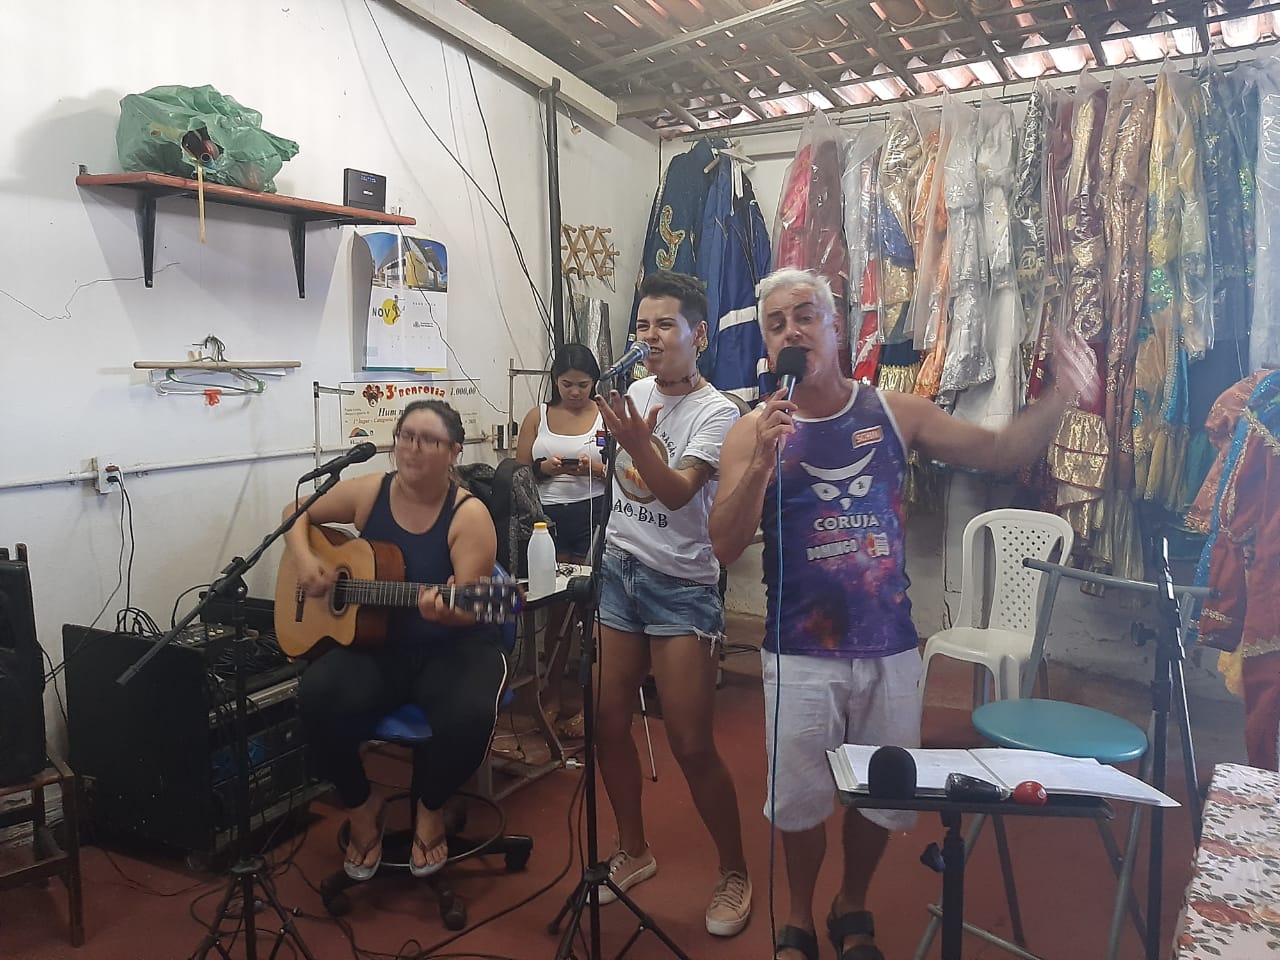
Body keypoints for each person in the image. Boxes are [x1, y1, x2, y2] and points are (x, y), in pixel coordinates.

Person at [709, 267, 1101, 960]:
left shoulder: (895, 412)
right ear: (767, 347)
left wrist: (1061, 395)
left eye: (805, 316)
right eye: (776, 324)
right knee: (799, 800)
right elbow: (723, 544)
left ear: (835, 327)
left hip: (888, 646)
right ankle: (797, 917)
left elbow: (1001, 453)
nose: (792, 331)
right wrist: (761, 464)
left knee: (881, 789)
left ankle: (851, 903)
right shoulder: (751, 432)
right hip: (797, 649)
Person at [591, 270, 752, 938]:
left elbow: (679, 492)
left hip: (682, 586)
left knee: (689, 743)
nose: (651, 337)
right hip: (619, 572)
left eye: (665, 325)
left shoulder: (720, 413)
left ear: (699, 334)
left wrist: (635, 446)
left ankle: (735, 870)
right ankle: (634, 849)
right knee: (606, 721)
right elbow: (621, 480)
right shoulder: (633, 392)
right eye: (643, 325)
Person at [287, 400, 508, 882]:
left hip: (455, 646)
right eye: (406, 436)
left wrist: (446, 611)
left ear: (453, 451)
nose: (412, 448)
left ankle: (431, 806)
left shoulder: (469, 516)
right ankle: (361, 806)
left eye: (428, 440)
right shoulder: (371, 492)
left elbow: (472, 607)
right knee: (315, 695)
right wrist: (306, 561)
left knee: (469, 714)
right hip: (381, 645)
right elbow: (295, 513)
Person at [515, 343, 605, 739]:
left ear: (594, 382)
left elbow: (627, 470)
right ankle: (549, 696)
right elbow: (518, 472)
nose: (575, 392)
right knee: (556, 610)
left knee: (590, 612)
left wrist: (595, 468)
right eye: (567, 384)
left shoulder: (605, 416)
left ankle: (589, 703)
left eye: (583, 385)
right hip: (546, 521)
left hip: (592, 515)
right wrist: (543, 468)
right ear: (555, 382)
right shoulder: (537, 416)